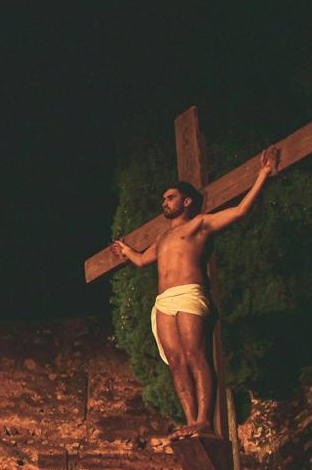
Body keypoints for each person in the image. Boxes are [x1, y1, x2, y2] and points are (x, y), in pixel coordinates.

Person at [112, 147, 280, 439]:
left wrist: (263, 174)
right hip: (164, 301)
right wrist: (126, 250)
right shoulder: (163, 237)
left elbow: (240, 211)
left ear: (186, 201)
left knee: (194, 354)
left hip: (189, 293)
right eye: (164, 199)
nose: (164, 202)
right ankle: (189, 420)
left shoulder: (199, 224)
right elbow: (140, 261)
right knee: (176, 361)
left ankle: (204, 419)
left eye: (171, 198)